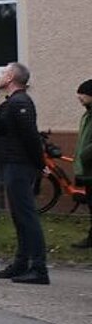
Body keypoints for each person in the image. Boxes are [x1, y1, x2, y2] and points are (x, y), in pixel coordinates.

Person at [0, 62, 49, 284]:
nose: (0, 75)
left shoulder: (20, 103)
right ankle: (21, 262)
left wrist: (39, 163)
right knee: (19, 215)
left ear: (11, 78)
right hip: (12, 162)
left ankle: (38, 267)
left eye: (3, 72)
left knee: (26, 215)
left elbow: (30, 137)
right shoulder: (13, 103)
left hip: (19, 164)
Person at [75, 80, 92, 250]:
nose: (79, 97)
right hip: (87, 169)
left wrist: (85, 154)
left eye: (82, 94)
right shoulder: (87, 115)